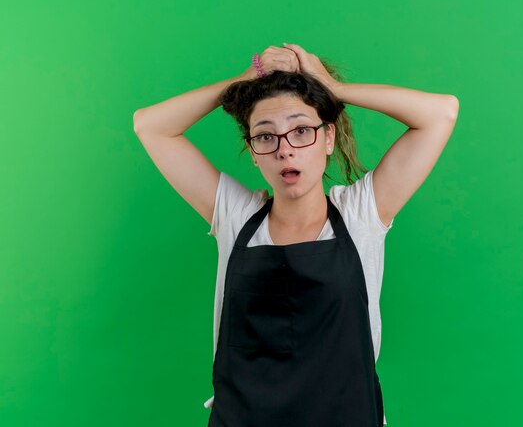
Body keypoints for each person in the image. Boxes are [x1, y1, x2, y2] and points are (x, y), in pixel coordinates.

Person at [133, 43, 459, 427]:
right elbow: (149, 126)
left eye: (301, 130)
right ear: (253, 151)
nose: (285, 150)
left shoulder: (360, 215)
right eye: (266, 136)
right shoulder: (237, 217)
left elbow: (441, 113)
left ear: (328, 138)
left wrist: (331, 88)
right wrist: (243, 81)